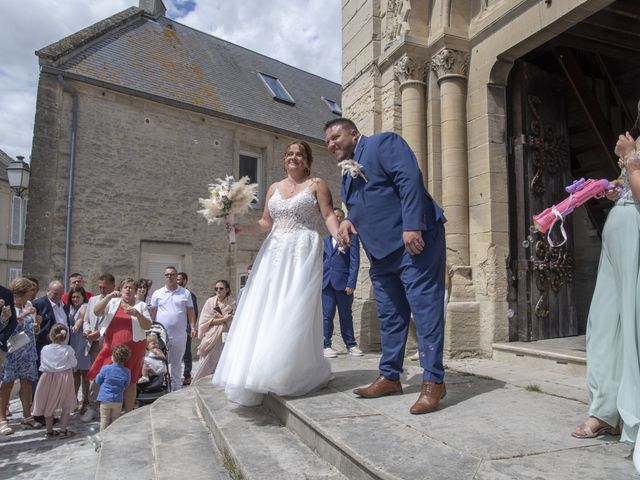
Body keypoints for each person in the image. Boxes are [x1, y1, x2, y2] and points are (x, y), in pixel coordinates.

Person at [324, 118, 447, 415]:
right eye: (327, 141)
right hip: (380, 253)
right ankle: (390, 377)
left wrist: (413, 225)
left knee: (425, 309)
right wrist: (348, 221)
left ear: (354, 134)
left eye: (336, 137)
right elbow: (359, 206)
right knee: (390, 316)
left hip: (413, 243)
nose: (331, 144)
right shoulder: (346, 173)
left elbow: (409, 179)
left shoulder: (384, 143)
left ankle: (434, 382)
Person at [212, 140, 340, 406]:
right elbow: (265, 223)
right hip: (274, 250)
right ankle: (261, 368)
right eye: (289, 154)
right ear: (284, 159)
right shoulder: (274, 188)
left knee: (294, 306)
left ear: (307, 160)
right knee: (267, 305)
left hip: (303, 248)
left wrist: (338, 233)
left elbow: (327, 215)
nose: (294, 158)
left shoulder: (317, 184)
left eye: (299, 155)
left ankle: (290, 369)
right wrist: (241, 229)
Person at [571, 132, 640, 473]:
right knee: (603, 324)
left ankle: (626, 412)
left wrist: (629, 157)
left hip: (633, 240)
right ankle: (604, 409)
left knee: (630, 323)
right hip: (618, 238)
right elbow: (631, 191)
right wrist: (615, 190)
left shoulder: (633, 149)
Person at [88, 278, 152, 412]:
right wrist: (109, 296)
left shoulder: (141, 305)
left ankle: (128, 412)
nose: (128, 289)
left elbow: (147, 325)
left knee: (131, 381)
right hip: (112, 348)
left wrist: (137, 314)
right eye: (125, 287)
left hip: (134, 349)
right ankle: (107, 409)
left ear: (135, 291)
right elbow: (96, 311)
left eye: (131, 287)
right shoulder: (113, 302)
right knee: (109, 378)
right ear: (120, 290)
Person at [0, 278, 41, 437]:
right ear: (21, 293)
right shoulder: (8, 306)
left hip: (27, 351)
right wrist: (25, 315)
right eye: (30, 291)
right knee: (7, 385)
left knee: (26, 383)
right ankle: (2, 419)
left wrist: (36, 326)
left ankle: (27, 416)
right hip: (11, 352)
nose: (32, 294)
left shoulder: (29, 306)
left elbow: (31, 329)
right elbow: (6, 325)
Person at [322, 207, 362, 358]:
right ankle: (326, 344)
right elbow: (323, 260)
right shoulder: (325, 240)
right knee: (327, 315)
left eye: (340, 217)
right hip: (326, 283)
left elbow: (354, 261)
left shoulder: (351, 238)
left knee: (346, 315)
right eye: (335, 216)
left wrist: (351, 282)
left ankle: (351, 345)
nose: (337, 219)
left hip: (344, 283)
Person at [149, 267, 196, 392]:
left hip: (179, 335)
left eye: (172, 274)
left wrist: (192, 327)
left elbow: (190, 311)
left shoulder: (185, 293)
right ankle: (160, 388)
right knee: (159, 362)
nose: (169, 277)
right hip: (161, 335)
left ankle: (176, 389)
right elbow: (153, 313)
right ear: (164, 277)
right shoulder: (157, 293)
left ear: (176, 276)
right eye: (167, 275)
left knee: (176, 363)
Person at [32, 324, 78, 438]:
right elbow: (74, 363)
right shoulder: (68, 349)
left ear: (50, 336)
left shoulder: (45, 349)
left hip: (47, 378)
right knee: (66, 404)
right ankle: (63, 431)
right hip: (64, 378)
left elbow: (43, 364)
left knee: (48, 402)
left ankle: (49, 431)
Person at [81, 273, 116, 422]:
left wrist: (99, 334)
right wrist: (87, 330)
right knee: (94, 375)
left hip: (108, 343)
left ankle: (107, 406)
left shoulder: (117, 301)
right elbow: (87, 318)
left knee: (108, 375)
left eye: (105, 287)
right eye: (100, 286)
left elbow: (113, 323)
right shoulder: (93, 300)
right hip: (93, 345)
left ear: (113, 286)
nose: (101, 289)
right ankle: (92, 406)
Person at [191, 280, 235, 383]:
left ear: (227, 290)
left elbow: (234, 320)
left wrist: (219, 318)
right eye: (216, 289)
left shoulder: (232, 303)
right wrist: (224, 319)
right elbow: (205, 321)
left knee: (222, 361)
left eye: (221, 288)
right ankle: (199, 382)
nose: (218, 290)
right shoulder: (210, 302)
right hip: (211, 337)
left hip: (225, 337)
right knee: (206, 361)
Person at [67, 286, 91, 413]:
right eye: (73, 297)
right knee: (75, 374)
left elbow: (81, 318)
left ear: (83, 297)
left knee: (85, 374)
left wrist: (76, 325)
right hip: (73, 344)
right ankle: (74, 400)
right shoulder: (70, 308)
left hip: (83, 343)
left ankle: (86, 400)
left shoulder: (85, 306)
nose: (75, 299)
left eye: (78, 297)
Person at [95, 344, 131, 431]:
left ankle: (102, 438)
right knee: (115, 420)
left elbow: (98, 380)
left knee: (104, 419)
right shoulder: (127, 371)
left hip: (105, 398)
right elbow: (127, 384)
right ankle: (113, 436)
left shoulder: (106, 368)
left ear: (113, 357)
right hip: (118, 399)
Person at [177, 272, 198, 386]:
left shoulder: (190, 295)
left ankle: (187, 375)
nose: (177, 281)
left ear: (185, 281)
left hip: (186, 328)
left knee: (186, 353)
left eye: (179, 279)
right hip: (175, 329)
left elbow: (194, 312)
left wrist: (191, 327)